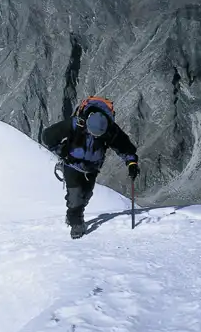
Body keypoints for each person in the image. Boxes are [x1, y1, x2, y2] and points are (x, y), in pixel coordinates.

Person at [42, 97, 139, 239]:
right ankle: (76, 223)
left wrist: (131, 163)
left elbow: (125, 147)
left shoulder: (109, 130)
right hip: (72, 165)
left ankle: (76, 212)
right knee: (75, 197)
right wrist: (60, 150)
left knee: (86, 195)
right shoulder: (76, 124)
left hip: (91, 168)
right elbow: (48, 136)